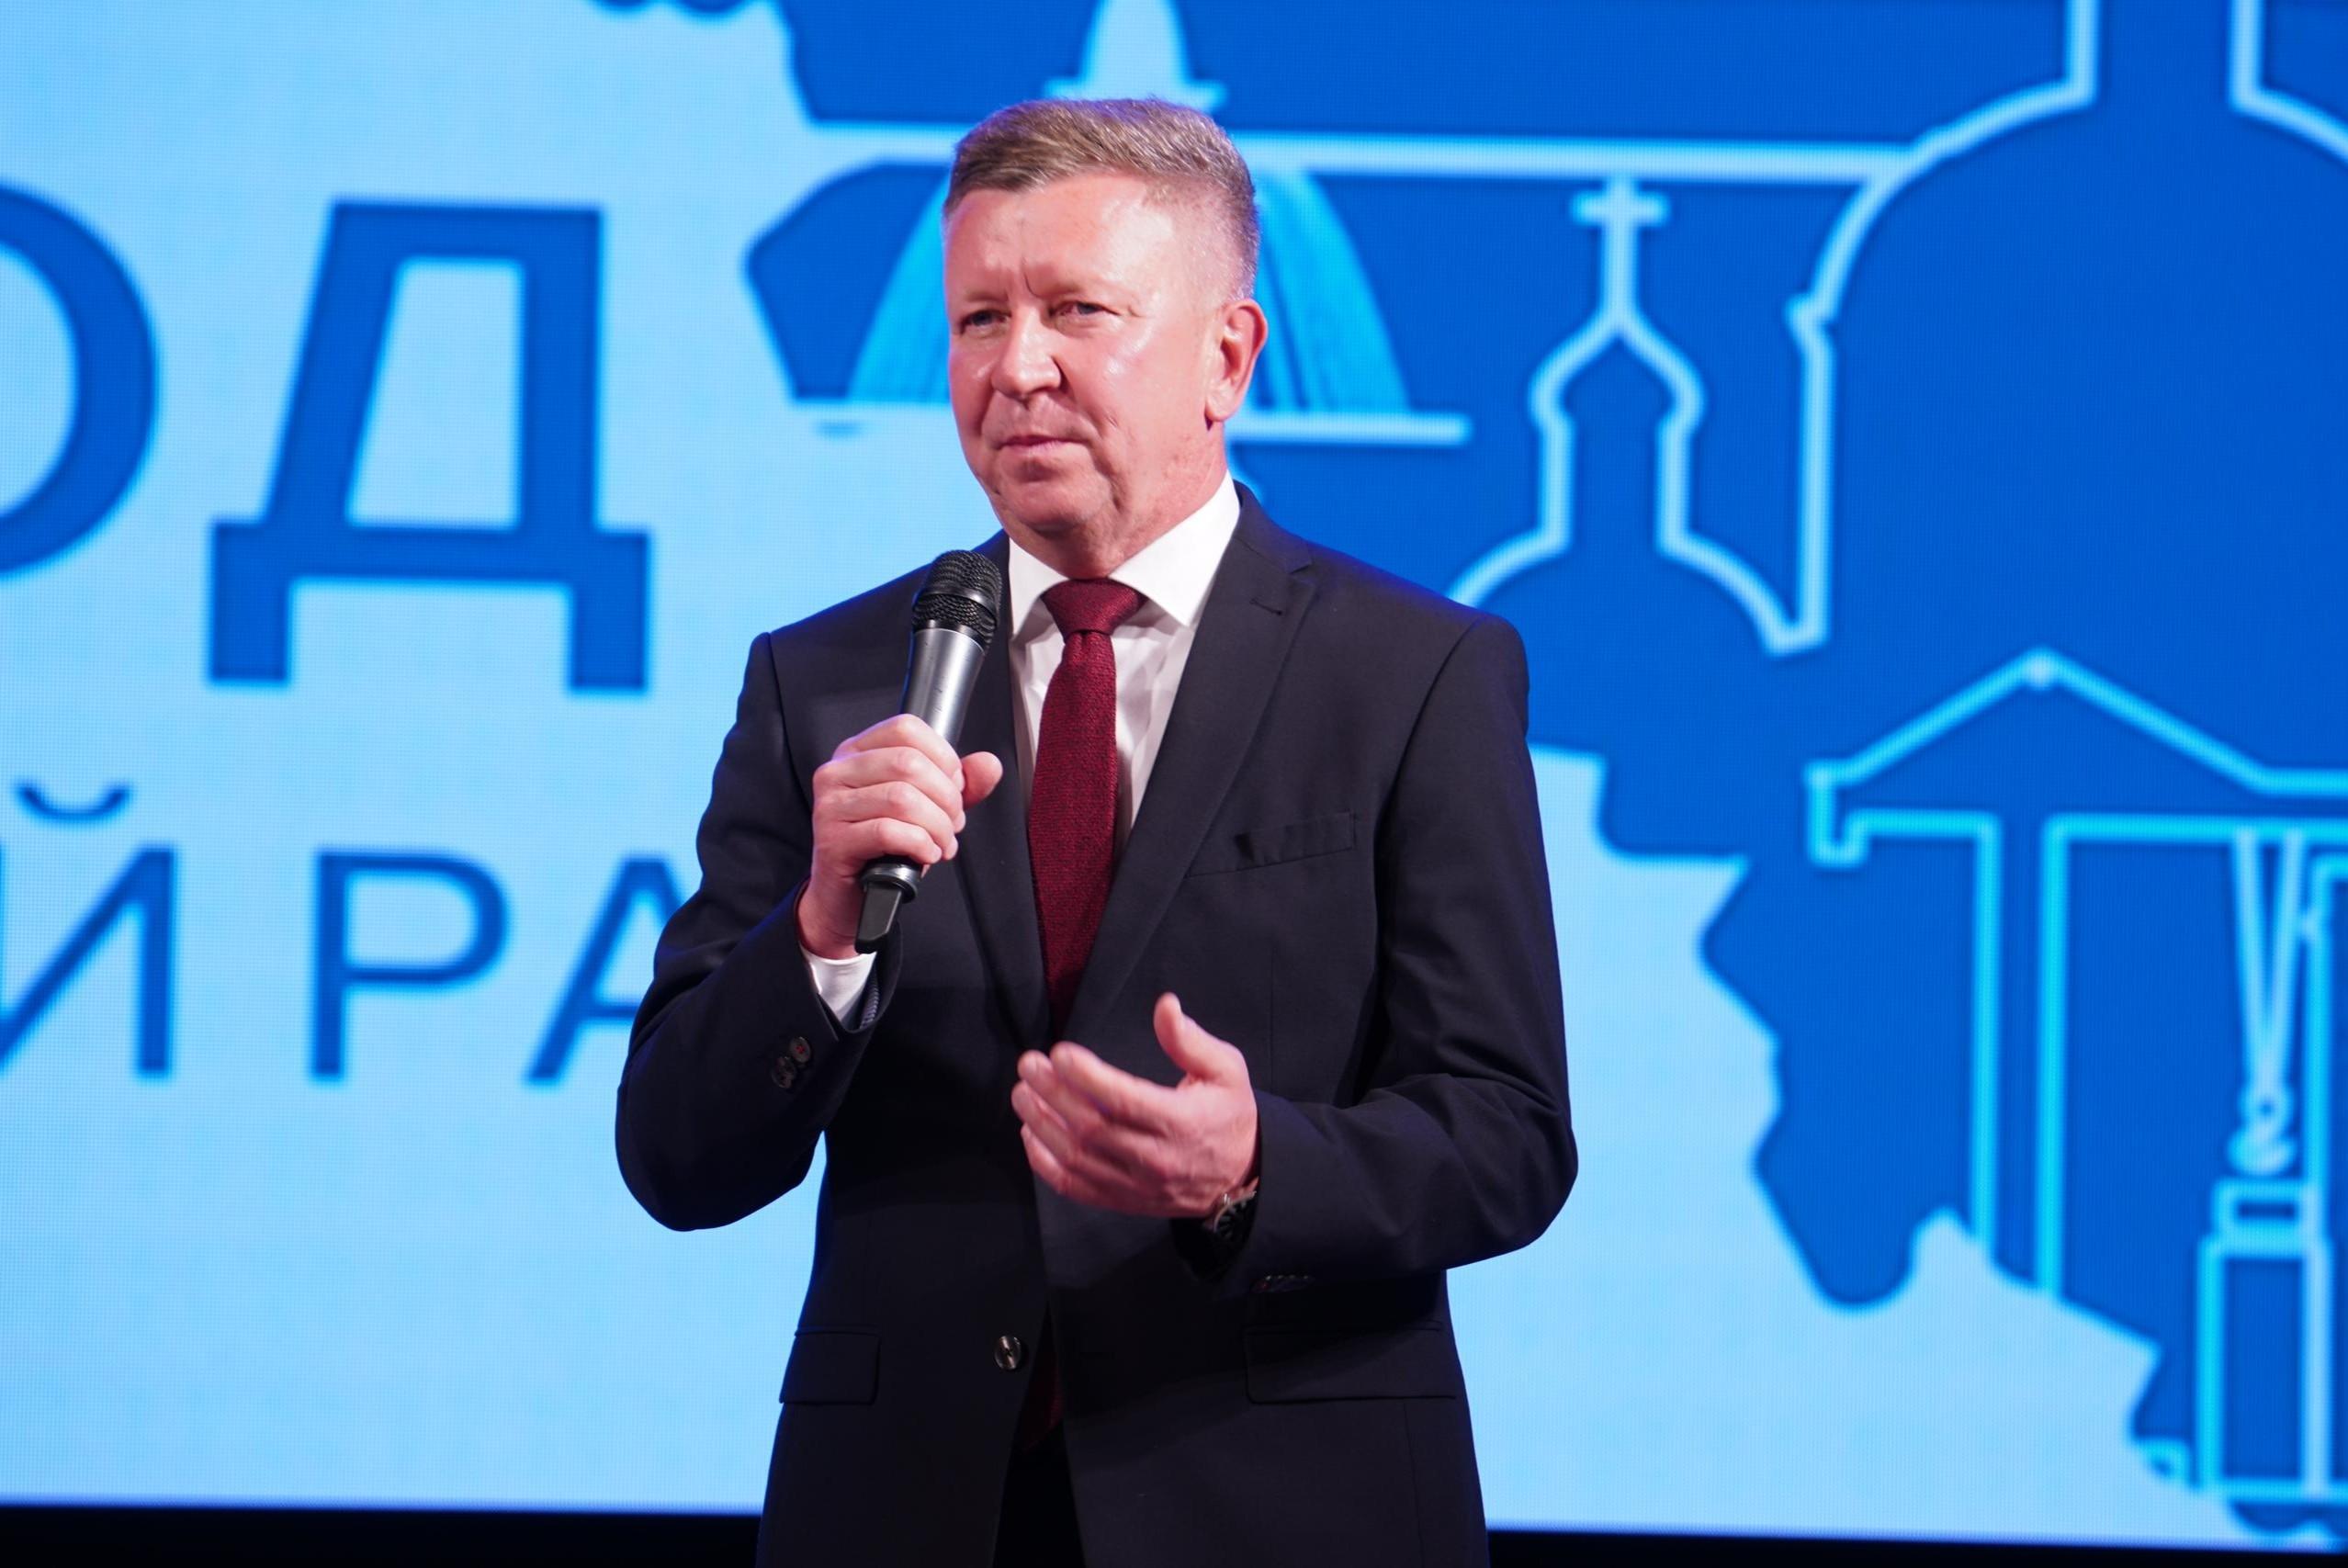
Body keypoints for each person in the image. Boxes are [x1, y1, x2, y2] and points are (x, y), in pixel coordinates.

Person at [617, 96, 1575, 1568]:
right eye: (978, 319)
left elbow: (1506, 1136)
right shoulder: (828, 685)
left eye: (1079, 311)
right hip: (907, 1516)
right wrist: (818, 939)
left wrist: (1255, 1165)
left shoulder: (1414, 675)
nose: (1018, 368)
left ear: (1227, 357)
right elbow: (678, 1157)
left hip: (1287, 1516)